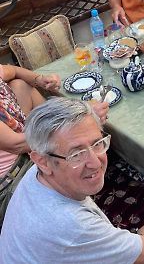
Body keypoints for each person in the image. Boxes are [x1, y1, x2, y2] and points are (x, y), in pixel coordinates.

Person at [0, 97, 144, 263]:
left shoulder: (36, 174)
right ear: (43, 161)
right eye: (76, 154)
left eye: (98, 143)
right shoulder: (71, 225)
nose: (96, 163)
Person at [0, 64, 108, 227]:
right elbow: (15, 144)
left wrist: (39, 79)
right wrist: (79, 123)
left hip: (25, 154)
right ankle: (78, 211)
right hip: (12, 179)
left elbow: (13, 71)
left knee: (22, 85)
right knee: (78, 151)